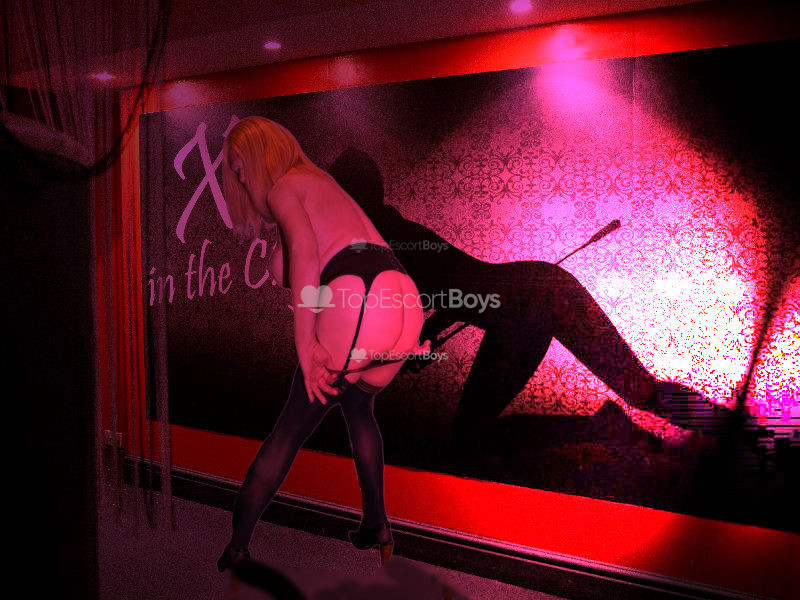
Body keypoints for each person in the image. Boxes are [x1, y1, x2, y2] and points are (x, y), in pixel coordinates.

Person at [216, 117, 428, 571]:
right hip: (402, 299)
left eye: (239, 168)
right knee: (359, 409)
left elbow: (306, 261)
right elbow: (293, 257)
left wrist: (306, 345)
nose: (240, 179)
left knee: (289, 429)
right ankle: (377, 524)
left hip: (357, 297)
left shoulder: (284, 188)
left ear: (257, 156)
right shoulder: (322, 184)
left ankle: (237, 544)